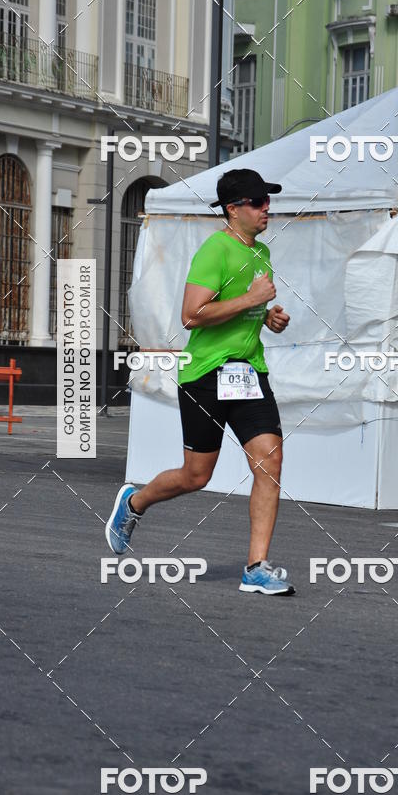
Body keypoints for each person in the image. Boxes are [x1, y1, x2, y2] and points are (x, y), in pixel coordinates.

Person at [105, 168, 295, 595]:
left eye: (268, 200)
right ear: (233, 209)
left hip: (249, 373)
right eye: (259, 201)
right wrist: (252, 300)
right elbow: (192, 314)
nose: (268, 208)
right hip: (206, 376)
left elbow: (242, 311)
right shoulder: (215, 251)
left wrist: (268, 318)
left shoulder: (261, 253)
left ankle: (256, 567)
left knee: (271, 463)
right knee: (196, 475)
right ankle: (134, 503)